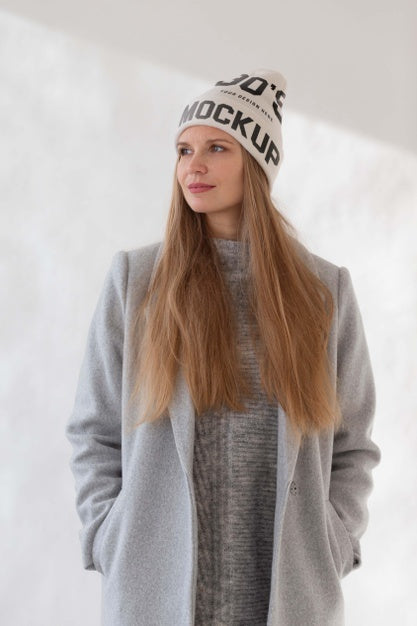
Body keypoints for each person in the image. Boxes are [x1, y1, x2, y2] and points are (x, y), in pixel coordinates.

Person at [65, 68, 381, 626]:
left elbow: (353, 443)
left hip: (288, 591)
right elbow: (94, 430)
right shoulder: (137, 282)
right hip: (155, 590)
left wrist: (335, 540)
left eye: (216, 148)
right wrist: (107, 535)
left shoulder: (322, 291)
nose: (194, 166)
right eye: (184, 150)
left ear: (256, 164)